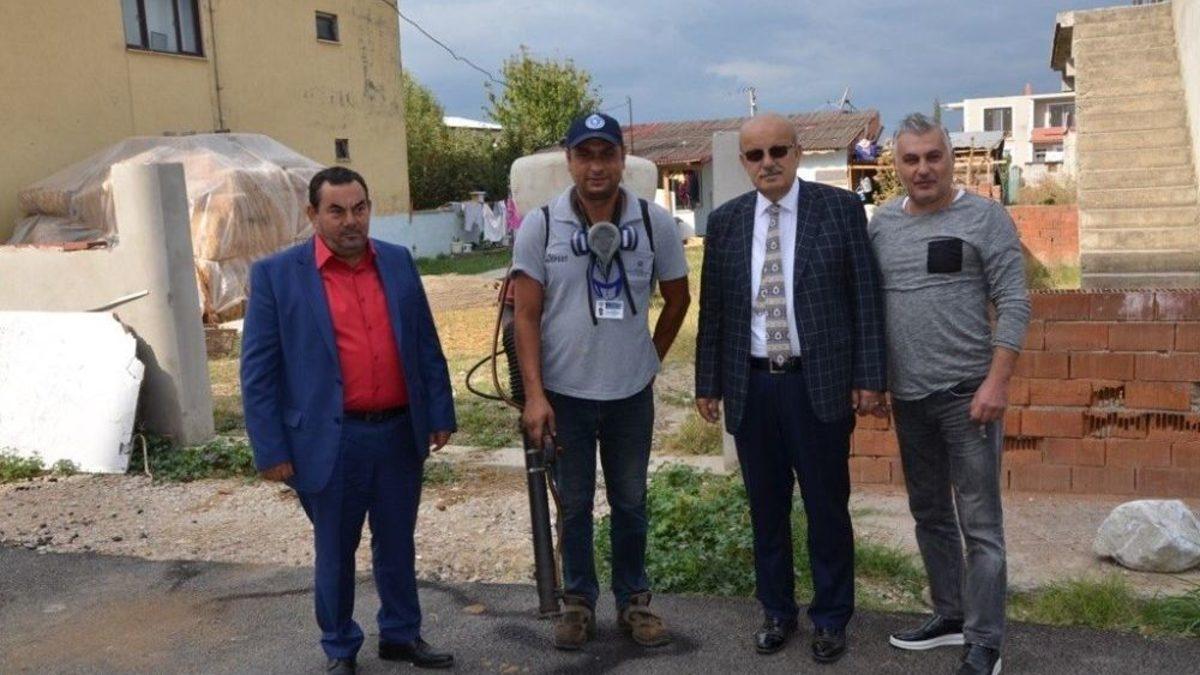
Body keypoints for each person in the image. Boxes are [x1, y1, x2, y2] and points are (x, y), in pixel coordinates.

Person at [241, 167, 457, 674]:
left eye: (359, 208)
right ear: (312, 214)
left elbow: (425, 343)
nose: (350, 221)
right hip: (330, 440)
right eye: (336, 211)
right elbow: (258, 372)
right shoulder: (277, 275)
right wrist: (271, 449)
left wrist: (439, 412)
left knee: (397, 542)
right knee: (336, 550)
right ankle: (340, 647)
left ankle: (401, 633)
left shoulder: (398, 262)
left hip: (398, 432)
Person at [694, 113, 887, 664]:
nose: (768, 163)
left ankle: (831, 618)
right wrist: (708, 381)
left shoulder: (839, 209)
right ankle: (777, 612)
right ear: (744, 163)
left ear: (798, 153)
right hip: (753, 387)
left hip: (817, 385)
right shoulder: (726, 222)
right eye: (756, 155)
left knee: (827, 509)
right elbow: (714, 309)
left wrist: (870, 376)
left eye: (778, 151)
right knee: (766, 511)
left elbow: (865, 296)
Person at [510, 112, 691, 650]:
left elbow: (679, 298)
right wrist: (535, 395)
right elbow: (525, 316)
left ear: (621, 160)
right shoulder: (542, 225)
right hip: (564, 396)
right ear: (569, 161)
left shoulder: (654, 223)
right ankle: (578, 603)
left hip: (630, 395)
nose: (596, 166)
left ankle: (634, 602)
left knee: (631, 502)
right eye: (585, 155)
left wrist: (649, 359)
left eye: (606, 154)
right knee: (574, 504)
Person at [869, 113, 1029, 675]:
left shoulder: (985, 218)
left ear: (951, 159)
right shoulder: (882, 225)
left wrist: (997, 382)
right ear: (896, 165)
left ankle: (985, 641)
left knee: (980, 524)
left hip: (969, 398)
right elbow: (872, 307)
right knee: (930, 513)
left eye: (933, 156)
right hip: (909, 399)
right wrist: (875, 381)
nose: (923, 169)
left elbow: (1014, 301)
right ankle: (951, 614)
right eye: (910, 159)